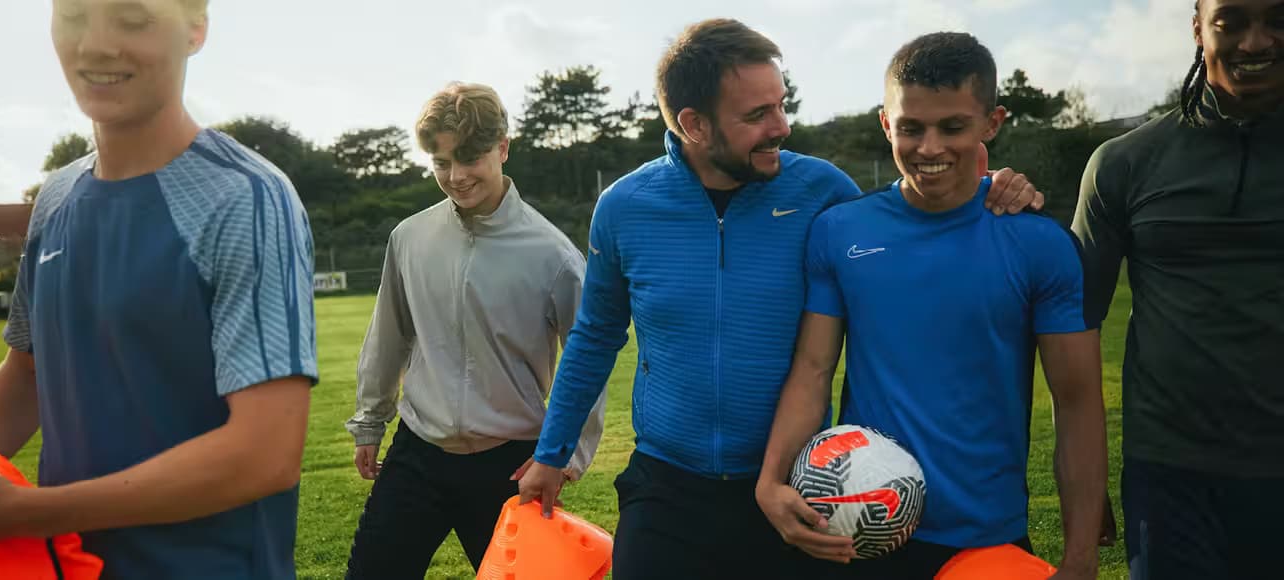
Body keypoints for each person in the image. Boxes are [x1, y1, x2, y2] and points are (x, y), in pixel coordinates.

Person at [516, 19, 1042, 580]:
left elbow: (910, 217)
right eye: (756, 115)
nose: (782, 126)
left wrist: (987, 188)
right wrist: (552, 453)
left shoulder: (823, 191)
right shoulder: (625, 206)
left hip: (798, 487)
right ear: (694, 124)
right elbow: (596, 334)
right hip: (666, 487)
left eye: (781, 104)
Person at [0, 1, 318, 577]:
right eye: (73, 16)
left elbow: (264, 454)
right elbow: (27, 373)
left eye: (132, 18)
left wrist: (23, 512)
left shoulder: (245, 197)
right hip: (73, 568)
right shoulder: (57, 196)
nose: (94, 44)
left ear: (196, 29)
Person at [755, 32, 1107, 580]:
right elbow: (813, 368)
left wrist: (1081, 557)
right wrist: (772, 481)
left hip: (986, 539)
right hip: (861, 531)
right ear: (886, 124)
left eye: (953, 126)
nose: (930, 147)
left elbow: (1079, 403)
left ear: (992, 123)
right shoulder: (839, 231)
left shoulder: (1039, 243)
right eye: (912, 127)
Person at [342, 82, 604, 579]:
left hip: (508, 467)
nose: (456, 176)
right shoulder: (409, 238)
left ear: (502, 147)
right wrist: (371, 420)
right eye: (441, 163)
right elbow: (389, 337)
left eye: (469, 158)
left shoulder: (554, 255)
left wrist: (564, 456)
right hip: (417, 451)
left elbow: (587, 359)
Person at [1072, 0, 1284, 577]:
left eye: (1276, 20)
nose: (1255, 42)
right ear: (1198, 29)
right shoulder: (1124, 162)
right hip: (1171, 479)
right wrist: (1086, 486)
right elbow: (1074, 334)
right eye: (1231, 21)